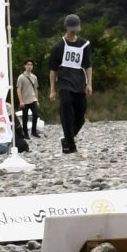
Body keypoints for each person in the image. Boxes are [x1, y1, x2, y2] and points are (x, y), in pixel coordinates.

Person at [46, 14, 94, 152]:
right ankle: (70, 146)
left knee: (81, 114)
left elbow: (88, 65)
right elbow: (52, 70)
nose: (73, 31)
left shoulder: (85, 45)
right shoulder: (58, 47)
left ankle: (67, 139)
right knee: (66, 112)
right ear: (66, 27)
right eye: (71, 28)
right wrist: (52, 90)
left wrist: (89, 83)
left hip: (79, 83)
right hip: (64, 84)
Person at [15, 60, 41, 139]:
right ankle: (25, 133)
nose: (29, 66)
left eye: (31, 65)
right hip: (25, 100)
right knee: (25, 117)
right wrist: (21, 101)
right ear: (25, 66)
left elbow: (36, 89)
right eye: (28, 64)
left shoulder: (34, 77)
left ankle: (34, 131)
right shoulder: (21, 77)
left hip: (32, 99)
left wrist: (37, 100)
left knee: (36, 114)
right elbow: (18, 89)